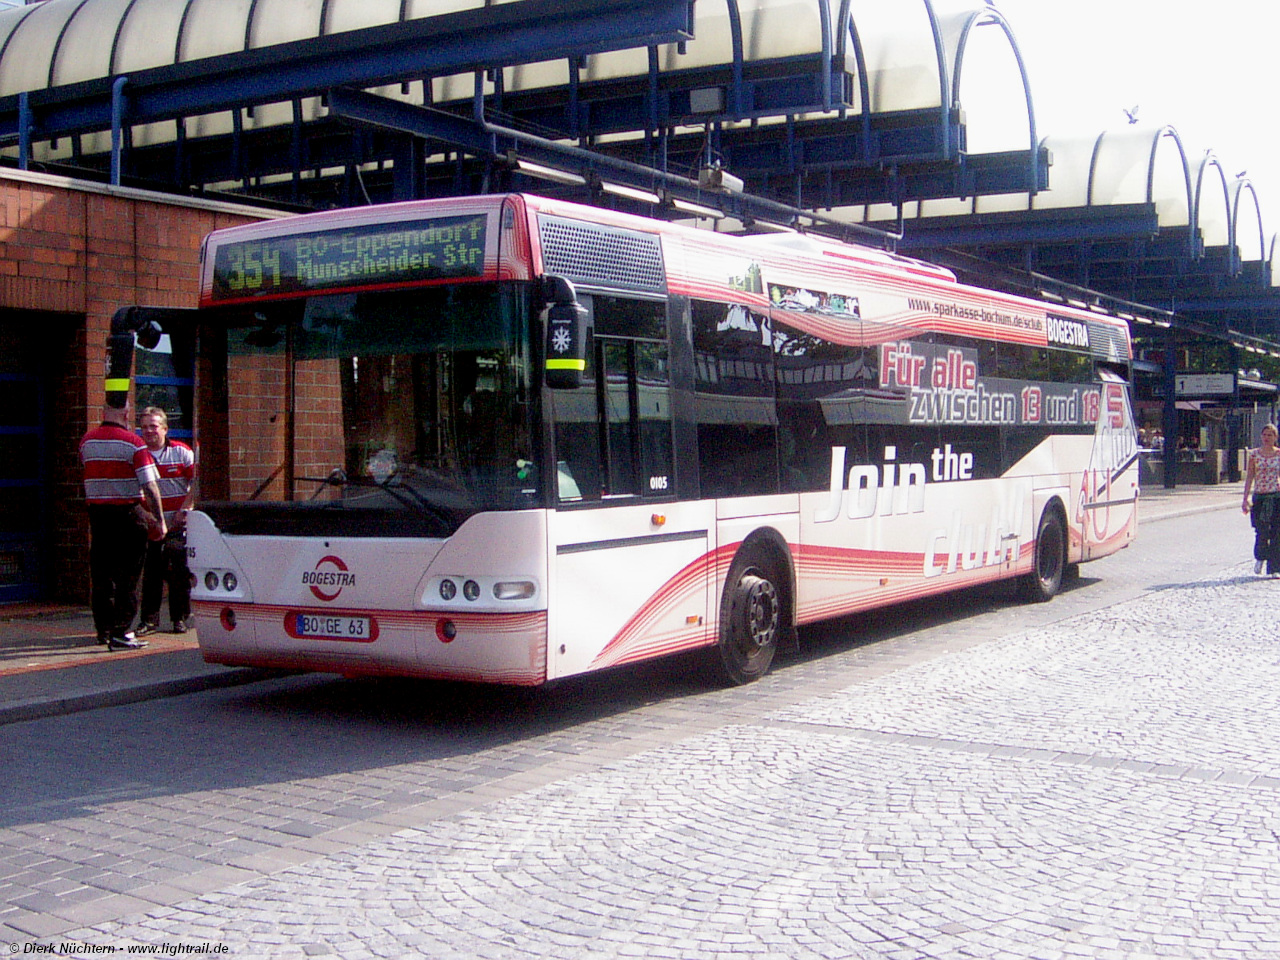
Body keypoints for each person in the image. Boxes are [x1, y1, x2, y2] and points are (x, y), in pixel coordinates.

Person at [80, 401, 166, 650]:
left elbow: (85, 472)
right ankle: (121, 631)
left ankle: (103, 630)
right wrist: (159, 520)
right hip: (128, 515)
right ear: (126, 414)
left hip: (98, 515)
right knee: (128, 577)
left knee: (102, 575)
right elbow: (150, 486)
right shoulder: (134, 443)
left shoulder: (87, 441)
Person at [136, 406, 197, 635]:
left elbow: (197, 482)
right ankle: (149, 621)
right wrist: (148, 517)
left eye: (153, 426)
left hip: (178, 524)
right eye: (144, 427)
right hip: (150, 525)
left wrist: (186, 508)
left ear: (164, 428)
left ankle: (179, 618)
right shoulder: (138, 454)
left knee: (179, 572)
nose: (149, 431)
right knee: (152, 573)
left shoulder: (181, 452)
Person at [1241, 423, 1280, 576]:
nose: (1266, 438)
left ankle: (1275, 567)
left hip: (1276, 496)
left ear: (1275, 437)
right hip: (1260, 497)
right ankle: (1261, 556)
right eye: (1264, 435)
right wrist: (1245, 498)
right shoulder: (1255, 455)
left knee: (1277, 532)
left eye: (1270, 435)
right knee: (1262, 531)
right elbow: (1250, 476)